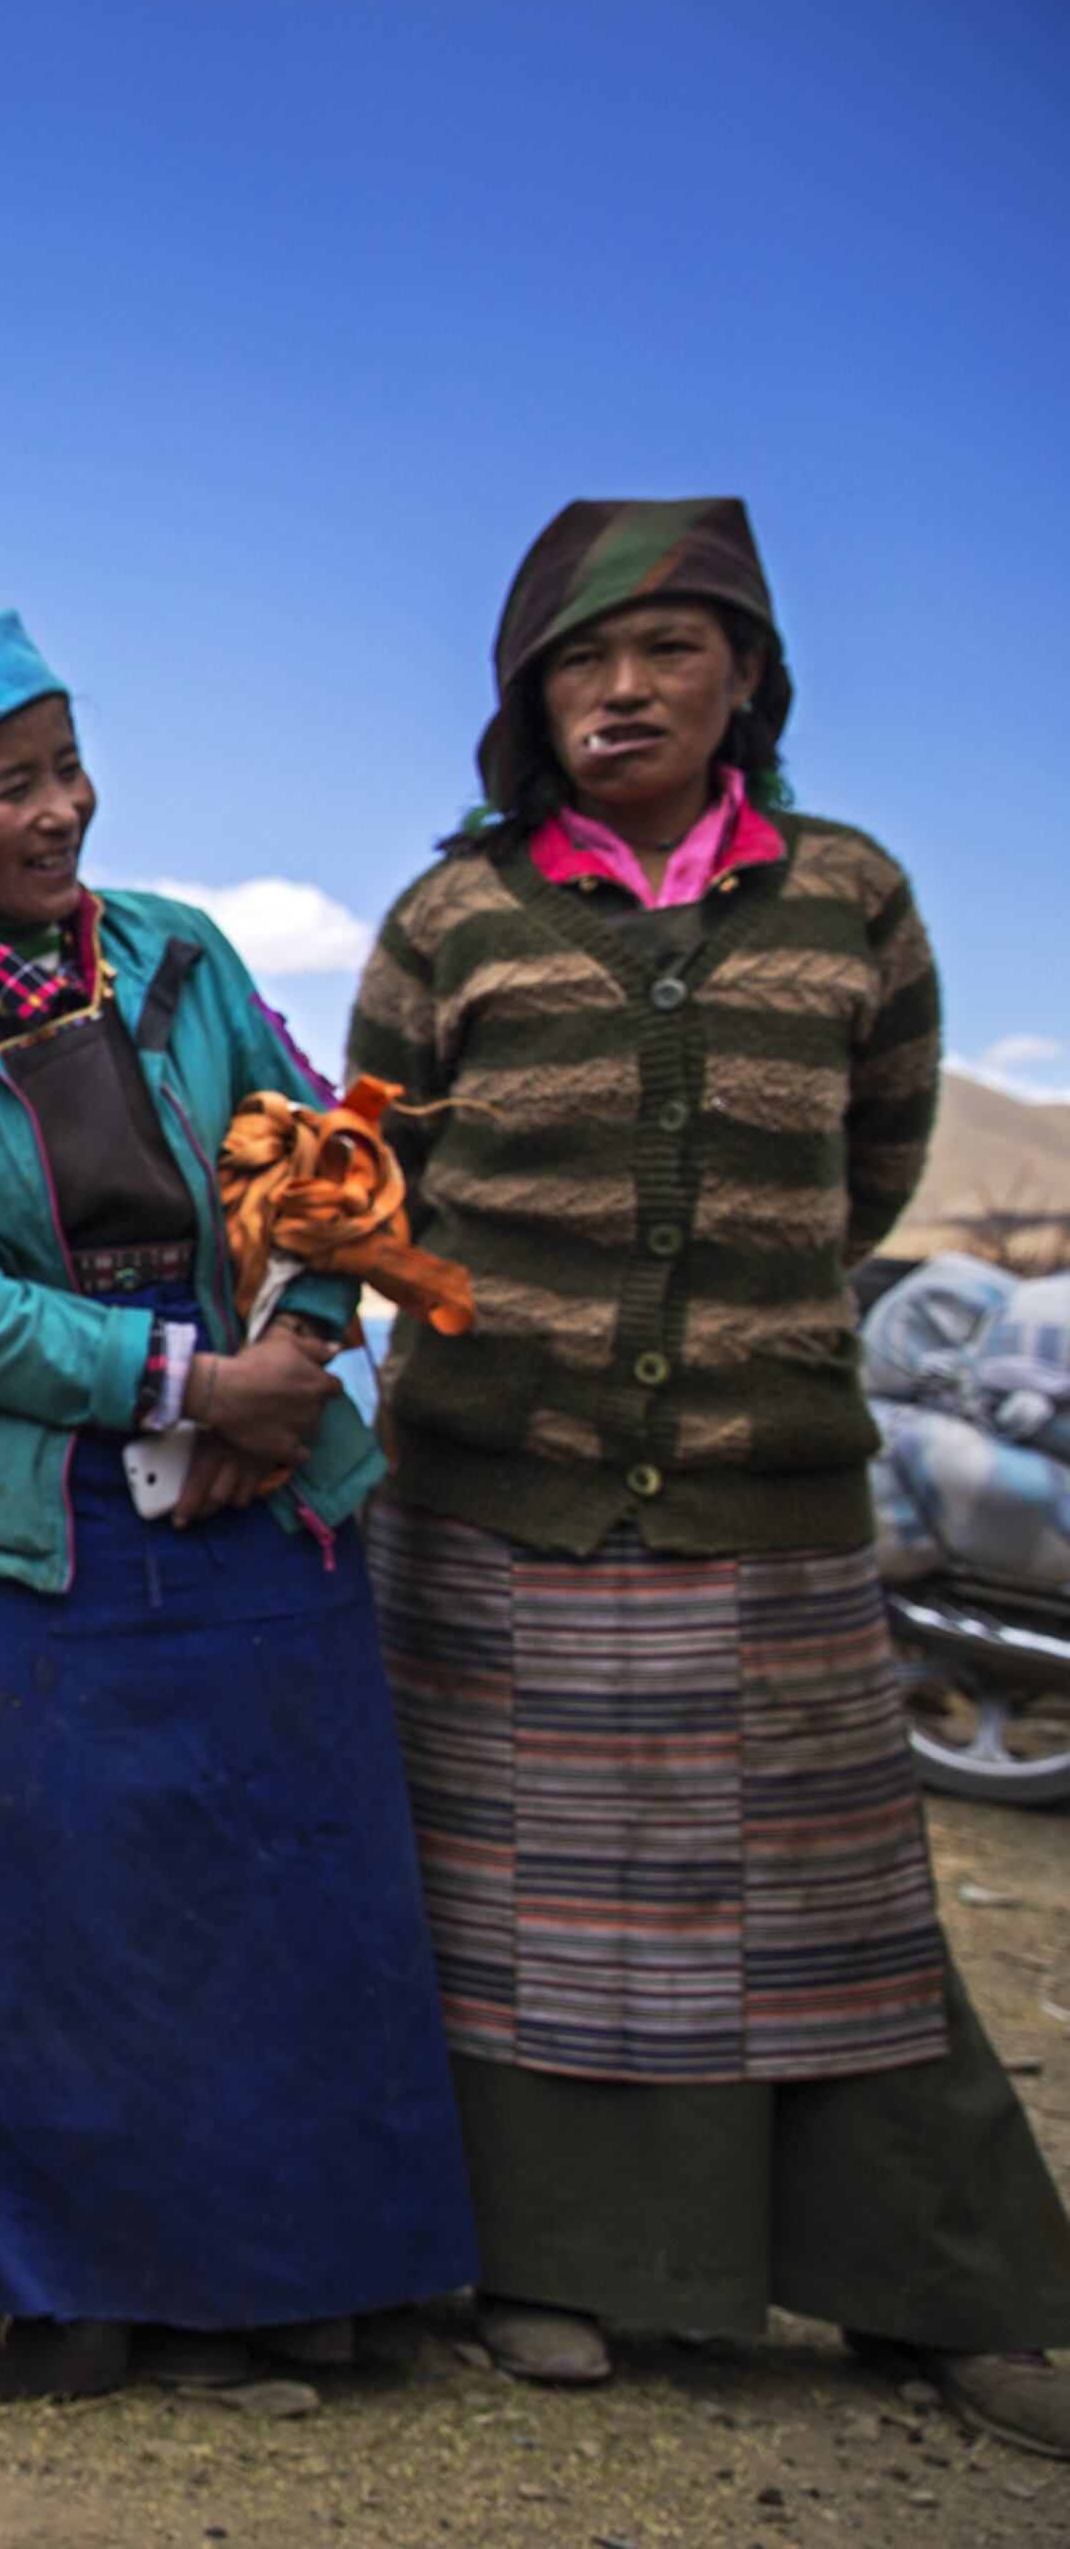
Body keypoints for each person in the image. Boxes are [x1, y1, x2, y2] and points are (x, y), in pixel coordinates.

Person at [352, 498, 1070, 2451]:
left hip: (765, 1492)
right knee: (512, 1900)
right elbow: (375, 1180)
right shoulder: (454, 918)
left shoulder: (850, 898)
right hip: (493, 1487)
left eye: (671, 647)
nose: (625, 688)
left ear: (747, 676)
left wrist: (726, 1348)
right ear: (528, 702)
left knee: (830, 1900)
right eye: (581, 659)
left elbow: (871, 1169)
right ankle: (544, 2261)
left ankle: (929, 2283)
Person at [0, 613, 475, 2398]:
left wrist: (296, 1357)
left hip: (266, 1496)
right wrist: (180, 1387)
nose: (64, 807)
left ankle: (275, 2287)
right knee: (6, 1896)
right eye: (16, 783)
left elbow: (329, 1157)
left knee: (270, 1893)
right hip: (32, 1514)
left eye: (69, 766)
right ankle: (15, 2284)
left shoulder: (182, 954)